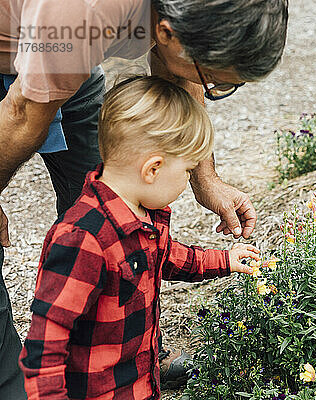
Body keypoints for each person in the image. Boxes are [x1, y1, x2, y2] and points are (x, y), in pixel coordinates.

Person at [0, 0, 288, 396]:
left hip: (61, 48)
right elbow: (20, 113)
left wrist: (209, 192)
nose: (213, 90)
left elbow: (160, 254)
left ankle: (123, 354)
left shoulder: (135, 215)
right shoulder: (81, 239)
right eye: (216, 82)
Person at [19, 76, 261, 399]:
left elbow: (167, 255)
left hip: (138, 386)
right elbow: (45, 349)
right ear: (153, 169)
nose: (188, 180)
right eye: (188, 170)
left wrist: (225, 260)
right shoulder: (83, 239)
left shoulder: (143, 214)